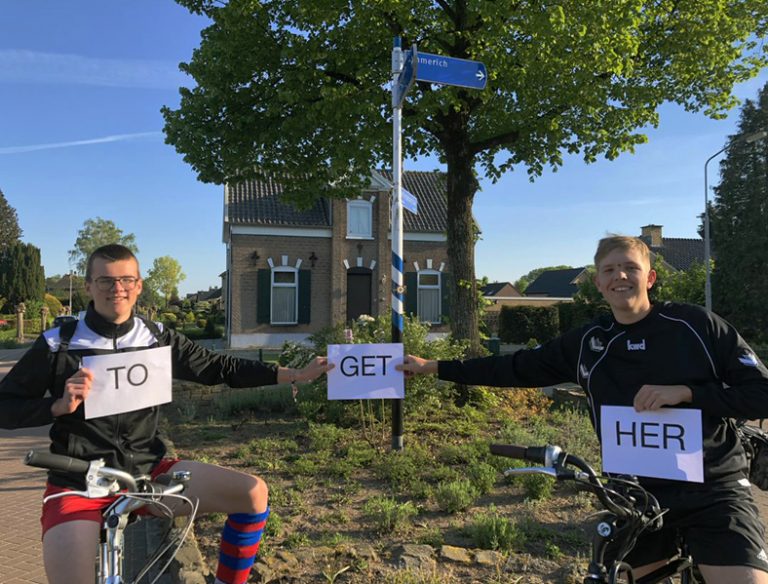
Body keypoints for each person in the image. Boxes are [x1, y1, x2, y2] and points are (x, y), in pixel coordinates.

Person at [399, 235, 768, 583]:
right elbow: (515, 367)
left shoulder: (696, 325)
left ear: (650, 277)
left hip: (713, 488)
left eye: (630, 268)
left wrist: (687, 393)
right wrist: (434, 366)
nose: (619, 276)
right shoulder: (590, 342)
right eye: (609, 270)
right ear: (597, 283)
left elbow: (761, 393)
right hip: (636, 494)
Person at [0, 243, 333, 584]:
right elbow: (5, 407)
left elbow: (220, 367)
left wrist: (293, 374)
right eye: (105, 281)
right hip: (78, 482)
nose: (117, 289)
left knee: (252, 494)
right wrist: (56, 406)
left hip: (147, 474)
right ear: (88, 286)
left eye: (127, 280)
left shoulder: (157, 337)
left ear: (139, 285)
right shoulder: (59, 343)